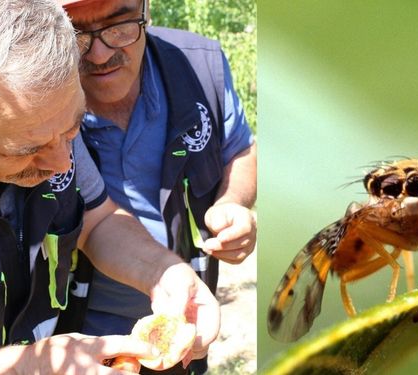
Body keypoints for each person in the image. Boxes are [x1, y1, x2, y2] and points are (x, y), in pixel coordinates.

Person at [0, 1, 219, 374]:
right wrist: (28, 366)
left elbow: (97, 219)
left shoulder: (46, 119)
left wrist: (164, 272)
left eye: (71, 130)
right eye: (28, 150)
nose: (62, 164)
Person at [60, 0, 257, 373]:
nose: (100, 54)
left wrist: (232, 202)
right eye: (75, 34)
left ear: (147, 10)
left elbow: (241, 149)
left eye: (119, 26)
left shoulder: (200, 67)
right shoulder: (38, 102)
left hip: (184, 327)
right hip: (77, 341)